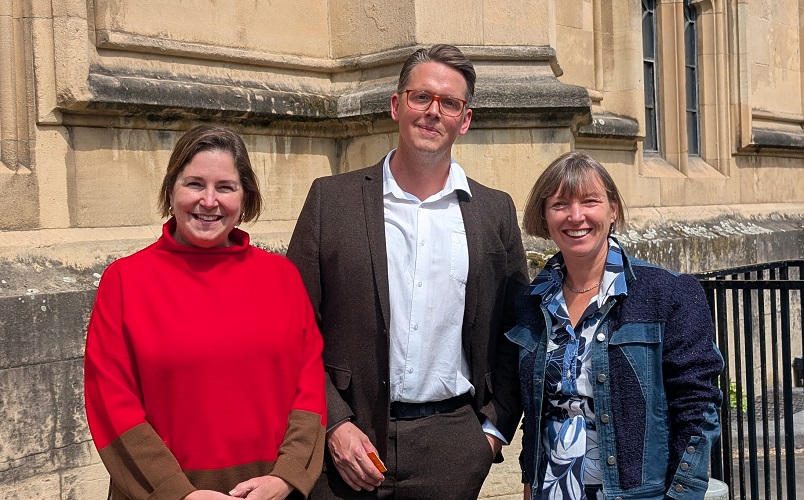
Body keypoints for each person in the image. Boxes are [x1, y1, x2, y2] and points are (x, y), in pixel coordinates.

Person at [286, 44, 529, 499]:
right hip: (346, 446)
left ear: (465, 119)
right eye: (421, 97)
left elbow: (518, 333)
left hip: (451, 449)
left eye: (449, 103)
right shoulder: (330, 200)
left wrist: (490, 434)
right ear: (397, 105)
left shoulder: (494, 211)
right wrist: (333, 424)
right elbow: (291, 327)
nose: (433, 112)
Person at [84, 124, 326, 500]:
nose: (209, 201)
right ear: (171, 190)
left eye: (225, 187)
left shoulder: (282, 277)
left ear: (245, 198)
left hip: (268, 490)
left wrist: (286, 476)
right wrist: (178, 493)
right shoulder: (125, 281)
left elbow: (309, 386)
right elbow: (110, 401)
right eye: (195, 184)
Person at [506, 152, 723, 500]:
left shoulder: (667, 293)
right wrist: (531, 481)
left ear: (612, 210)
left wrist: (682, 494)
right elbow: (536, 412)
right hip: (554, 488)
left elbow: (699, 407)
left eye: (590, 201)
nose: (576, 216)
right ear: (544, 217)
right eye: (560, 204)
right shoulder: (533, 301)